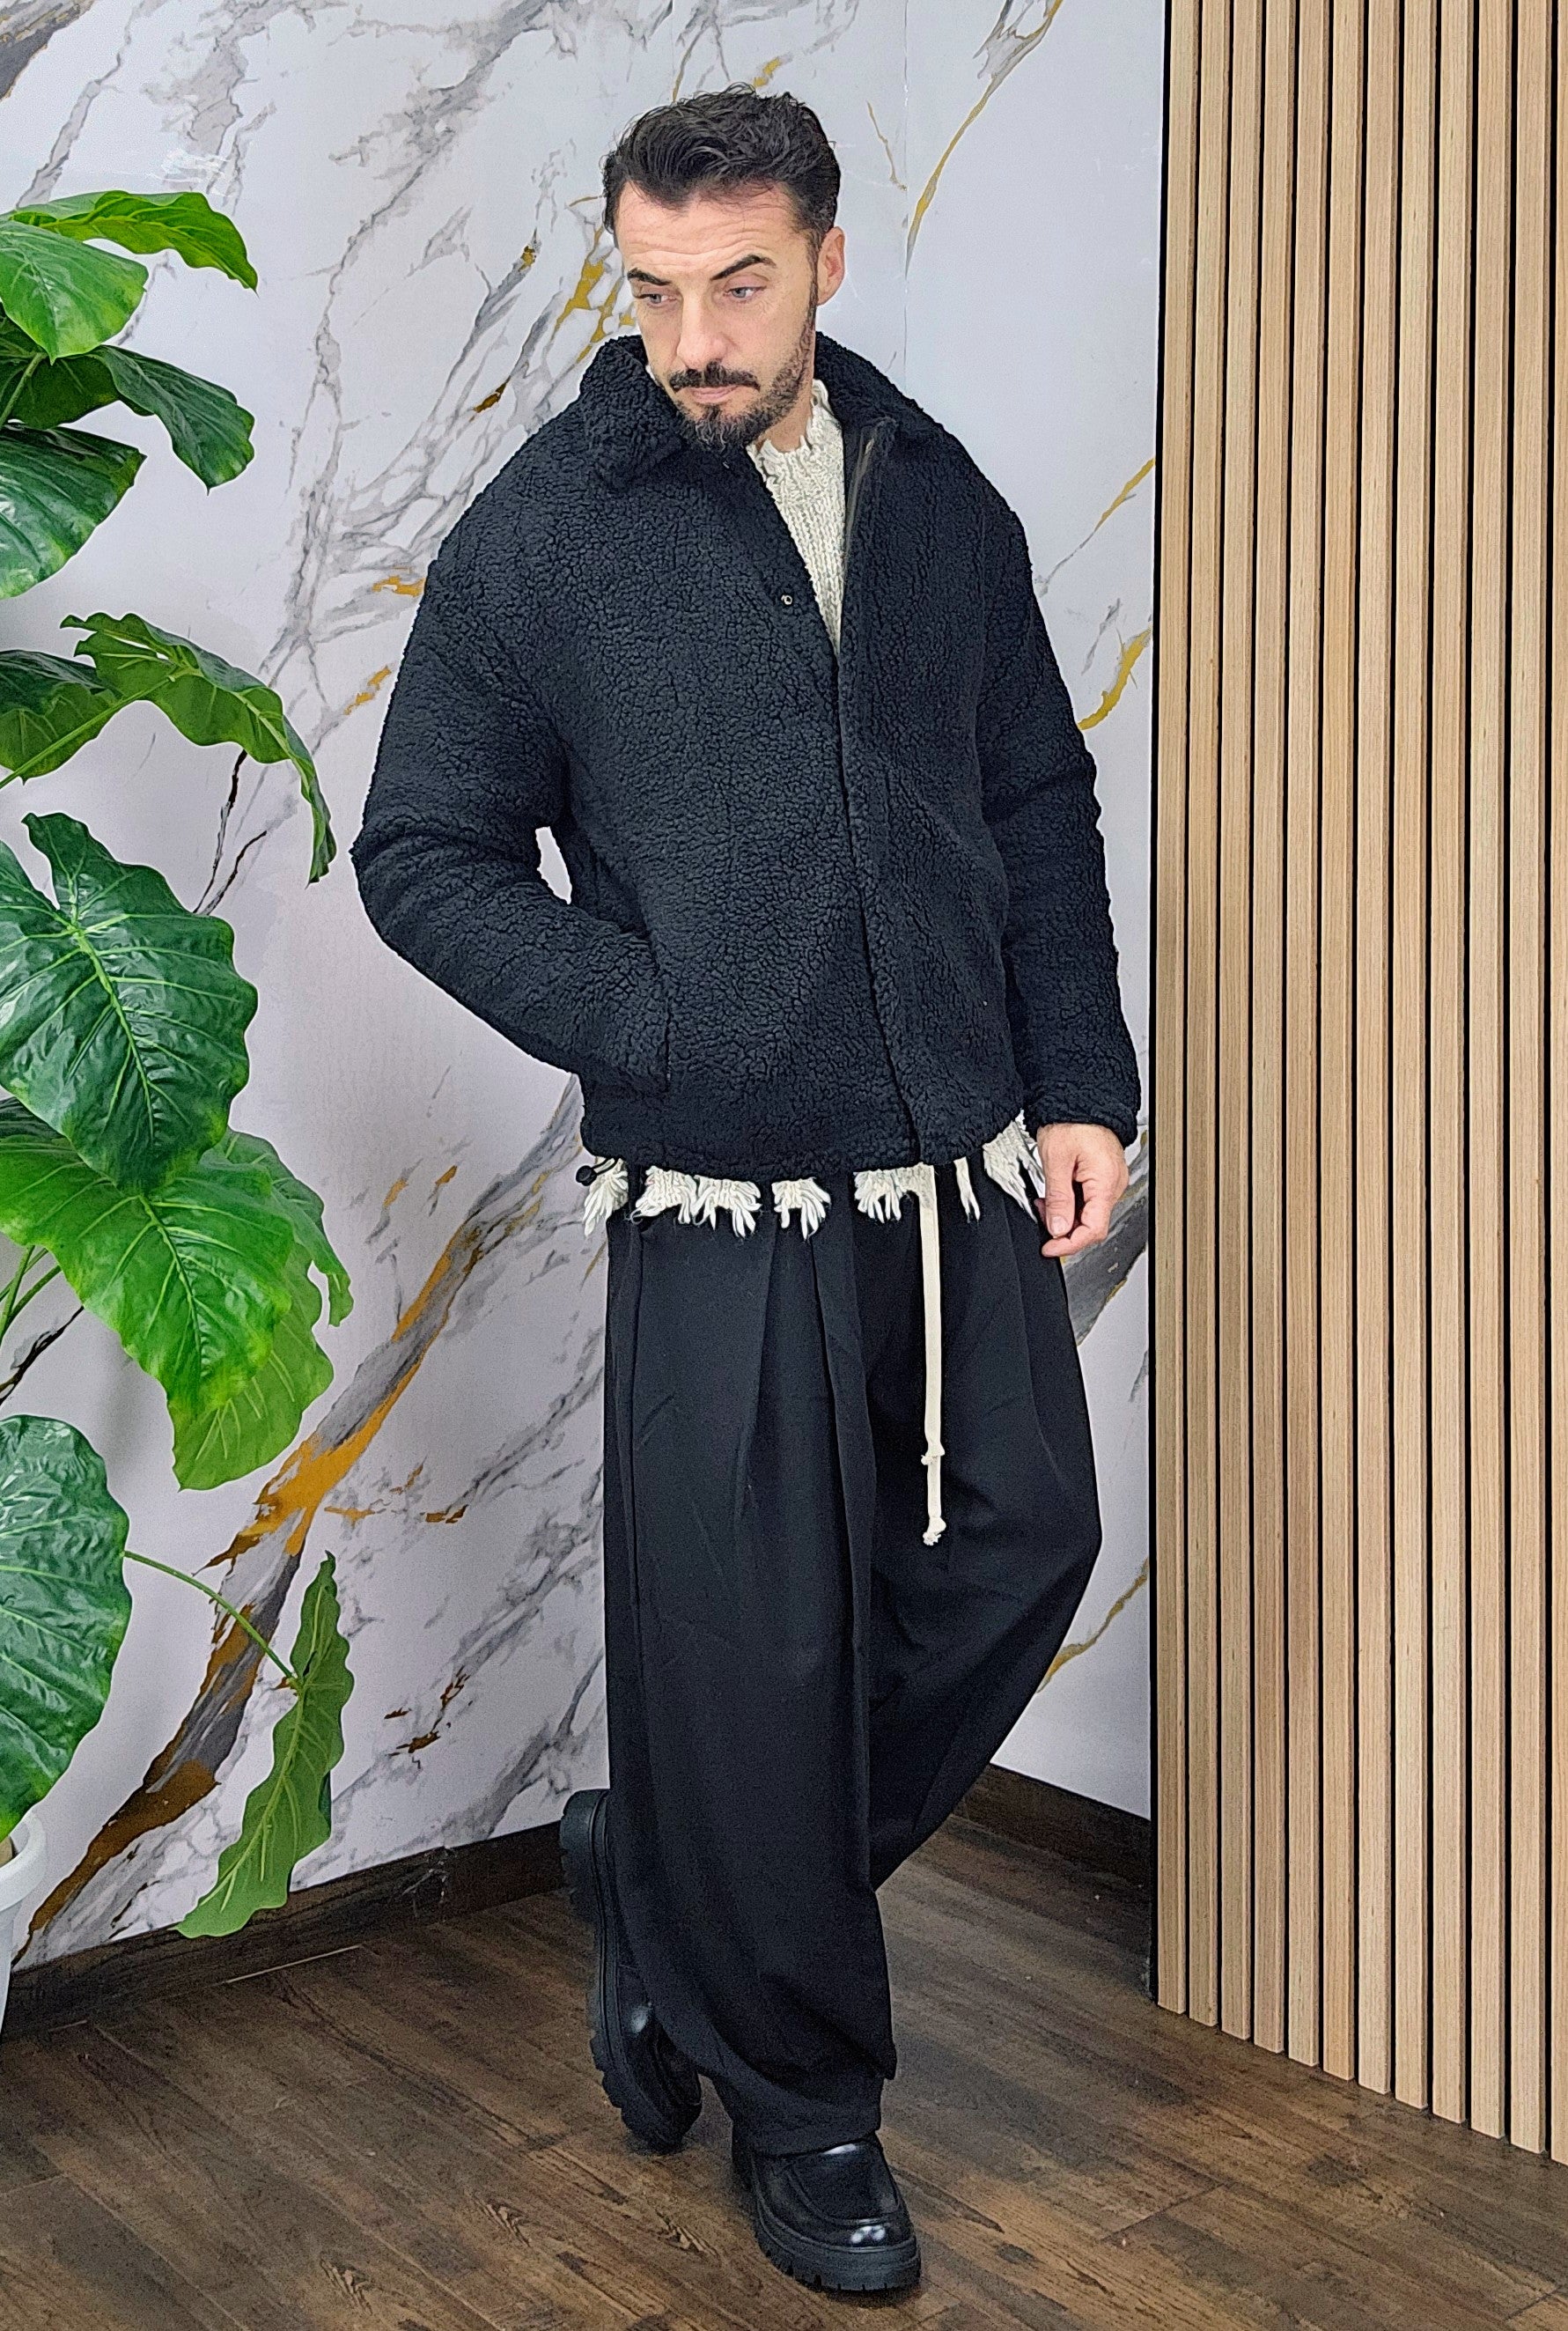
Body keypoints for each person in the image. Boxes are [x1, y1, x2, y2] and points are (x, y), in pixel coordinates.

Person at [351, 82, 1140, 2299]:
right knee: (759, 1646)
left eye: (739, 285)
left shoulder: (936, 496)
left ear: (825, 265)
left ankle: (672, 1883)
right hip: (723, 1195)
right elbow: (420, 847)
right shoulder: (550, 533)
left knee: (1023, 1547)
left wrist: (1078, 1078)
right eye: (654, 290)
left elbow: (1034, 793)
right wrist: (658, 1021)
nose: (693, 337)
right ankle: (804, 2110)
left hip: (957, 1161)